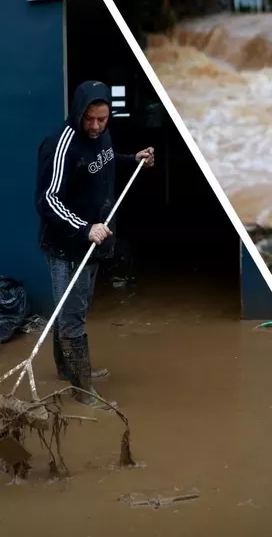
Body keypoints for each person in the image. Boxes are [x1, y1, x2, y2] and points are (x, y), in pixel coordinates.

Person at [34, 80, 155, 409]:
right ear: (78, 112)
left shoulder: (101, 136)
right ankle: (82, 388)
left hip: (94, 239)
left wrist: (133, 159)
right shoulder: (60, 145)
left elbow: (105, 159)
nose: (96, 126)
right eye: (90, 119)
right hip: (67, 244)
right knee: (72, 314)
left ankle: (65, 369)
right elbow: (48, 200)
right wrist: (84, 228)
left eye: (102, 119)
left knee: (72, 307)